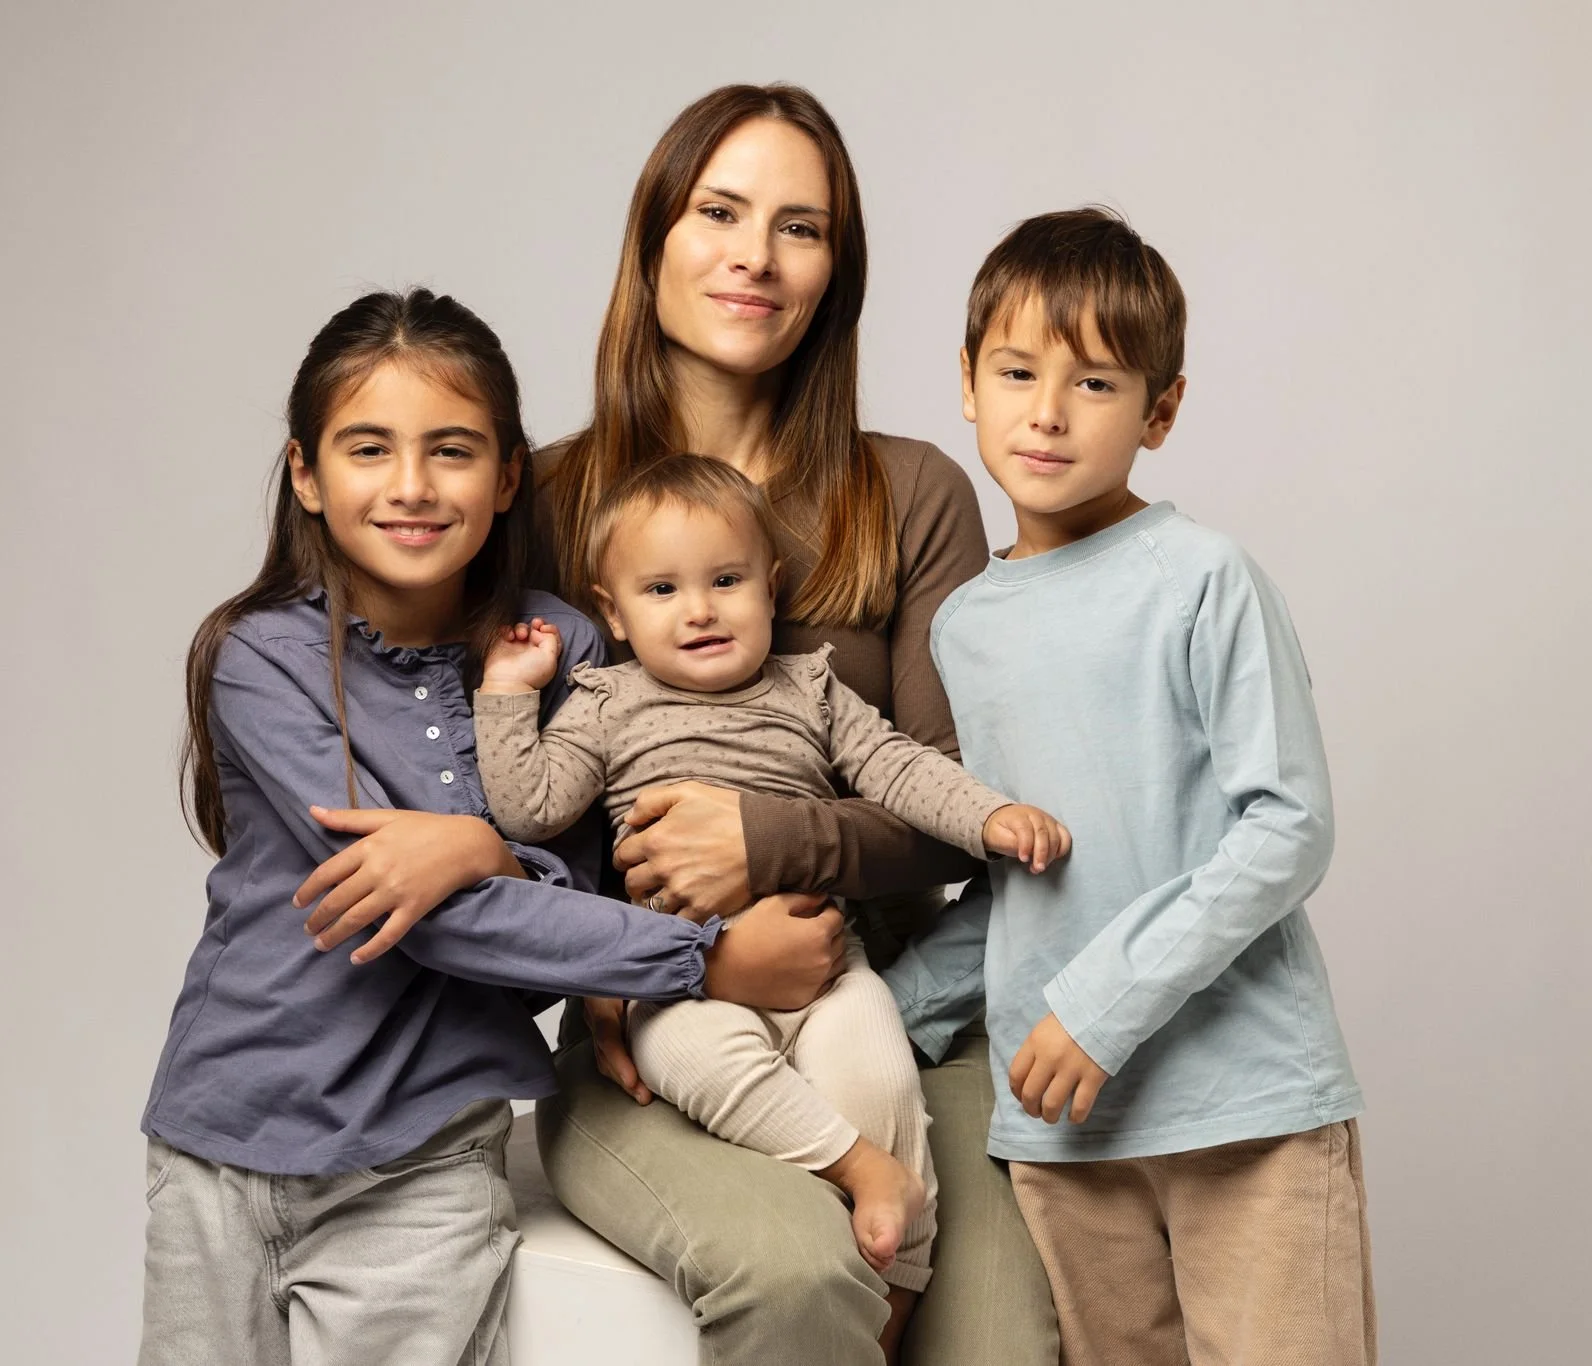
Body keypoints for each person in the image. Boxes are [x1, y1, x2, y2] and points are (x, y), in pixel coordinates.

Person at [298, 83, 1060, 1366]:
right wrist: (667, 958)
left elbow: (946, 816)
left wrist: (765, 839)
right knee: (796, 1278)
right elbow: (497, 793)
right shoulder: (537, 502)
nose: (754, 256)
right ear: (654, 237)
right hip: (647, 1034)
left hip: (896, 1006)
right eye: (718, 211)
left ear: (836, 272)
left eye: (799, 227)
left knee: (994, 1342)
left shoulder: (911, 491)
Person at [137, 288, 844, 1366]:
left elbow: (581, 885)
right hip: (216, 1143)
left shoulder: (564, 650)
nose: (411, 486)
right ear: (306, 476)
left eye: (452, 451)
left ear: (509, 474)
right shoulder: (262, 656)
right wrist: (698, 957)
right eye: (368, 449)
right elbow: (405, 908)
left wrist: (486, 853)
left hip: (421, 1161)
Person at [886, 207, 1375, 1366]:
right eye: (1014, 372)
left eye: (1094, 383)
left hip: (1244, 1108)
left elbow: (1287, 828)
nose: (1045, 413)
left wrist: (1097, 1009)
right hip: (1066, 1137)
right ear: (966, 382)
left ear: (1160, 409)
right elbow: (1023, 881)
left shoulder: (1202, 577)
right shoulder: (964, 626)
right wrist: (879, 1014)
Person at [472, 452, 1070, 1294]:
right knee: (702, 1063)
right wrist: (506, 690)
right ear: (611, 611)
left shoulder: (811, 688)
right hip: (676, 978)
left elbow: (899, 768)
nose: (701, 610)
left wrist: (987, 815)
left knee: (880, 1072)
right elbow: (531, 808)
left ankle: (894, 1299)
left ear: (771, 586)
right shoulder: (605, 703)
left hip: (828, 963)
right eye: (662, 591)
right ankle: (863, 1173)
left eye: (726, 580)